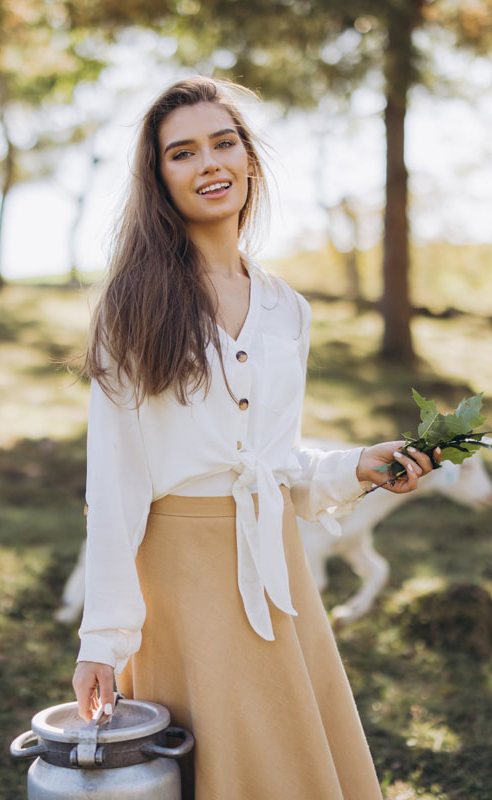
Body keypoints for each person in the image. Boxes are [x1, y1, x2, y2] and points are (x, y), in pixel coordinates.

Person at [71, 76, 441, 800]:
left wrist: (357, 468)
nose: (209, 164)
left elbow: (278, 466)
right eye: (183, 152)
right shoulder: (133, 305)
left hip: (277, 568)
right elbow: (113, 485)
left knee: (291, 763)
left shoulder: (287, 309)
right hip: (179, 576)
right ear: (159, 178)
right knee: (220, 768)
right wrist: (104, 643)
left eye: (224, 142)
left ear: (250, 161)